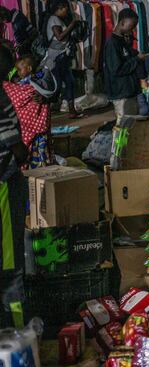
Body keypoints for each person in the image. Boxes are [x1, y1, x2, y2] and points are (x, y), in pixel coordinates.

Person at [0, 44, 28, 329]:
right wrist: (22, 152)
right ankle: (18, 331)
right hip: (4, 183)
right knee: (11, 266)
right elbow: (16, 147)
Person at [3, 55, 56, 169]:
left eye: (19, 70)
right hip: (38, 129)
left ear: (29, 69)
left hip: (31, 130)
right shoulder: (30, 83)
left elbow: (20, 97)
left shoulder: (32, 84)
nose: (17, 73)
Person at [104, 8, 143, 125]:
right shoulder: (112, 43)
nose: (133, 30)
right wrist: (136, 59)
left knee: (130, 126)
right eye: (131, 26)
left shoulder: (122, 41)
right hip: (121, 93)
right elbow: (116, 69)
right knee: (123, 127)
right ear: (122, 23)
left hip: (129, 91)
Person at [45, 0, 82, 118]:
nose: (67, 10)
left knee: (69, 82)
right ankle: (46, 111)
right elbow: (60, 37)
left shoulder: (59, 20)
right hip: (55, 58)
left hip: (62, 56)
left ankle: (72, 110)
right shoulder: (53, 19)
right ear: (59, 8)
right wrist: (72, 24)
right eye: (65, 8)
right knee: (58, 85)